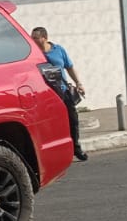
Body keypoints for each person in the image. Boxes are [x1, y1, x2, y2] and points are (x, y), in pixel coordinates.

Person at [31, 27, 89, 162]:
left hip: (63, 91)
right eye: (32, 37)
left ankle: (76, 148)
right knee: (50, 124)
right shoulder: (33, 54)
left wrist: (78, 83)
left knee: (72, 120)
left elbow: (69, 67)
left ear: (44, 38)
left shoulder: (58, 50)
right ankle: (54, 153)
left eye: (35, 37)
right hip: (45, 95)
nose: (32, 40)